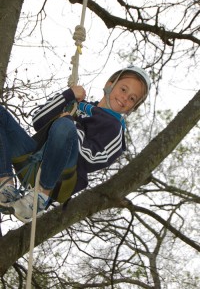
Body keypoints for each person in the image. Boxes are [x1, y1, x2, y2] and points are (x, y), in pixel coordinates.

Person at [0, 65, 150, 223]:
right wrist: (68, 95)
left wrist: (71, 123)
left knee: (64, 126)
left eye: (132, 98)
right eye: (124, 89)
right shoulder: (77, 104)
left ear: (132, 108)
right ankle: (5, 185)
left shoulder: (114, 127)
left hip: (60, 177)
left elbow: (92, 158)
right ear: (109, 84)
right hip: (32, 159)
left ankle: (41, 195)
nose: (125, 98)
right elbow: (38, 120)